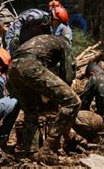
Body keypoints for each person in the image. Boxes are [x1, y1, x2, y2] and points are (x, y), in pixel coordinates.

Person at [7, 35, 80, 165]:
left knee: (31, 112)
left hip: (13, 68)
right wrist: (58, 97)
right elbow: (68, 74)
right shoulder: (65, 44)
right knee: (72, 101)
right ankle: (49, 146)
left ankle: (32, 151)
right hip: (30, 65)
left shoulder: (43, 41)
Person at [4, 7, 70, 53]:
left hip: (24, 42)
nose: (58, 25)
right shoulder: (37, 15)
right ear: (54, 18)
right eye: (59, 22)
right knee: (9, 57)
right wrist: (16, 35)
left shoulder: (48, 30)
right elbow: (19, 20)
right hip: (14, 36)